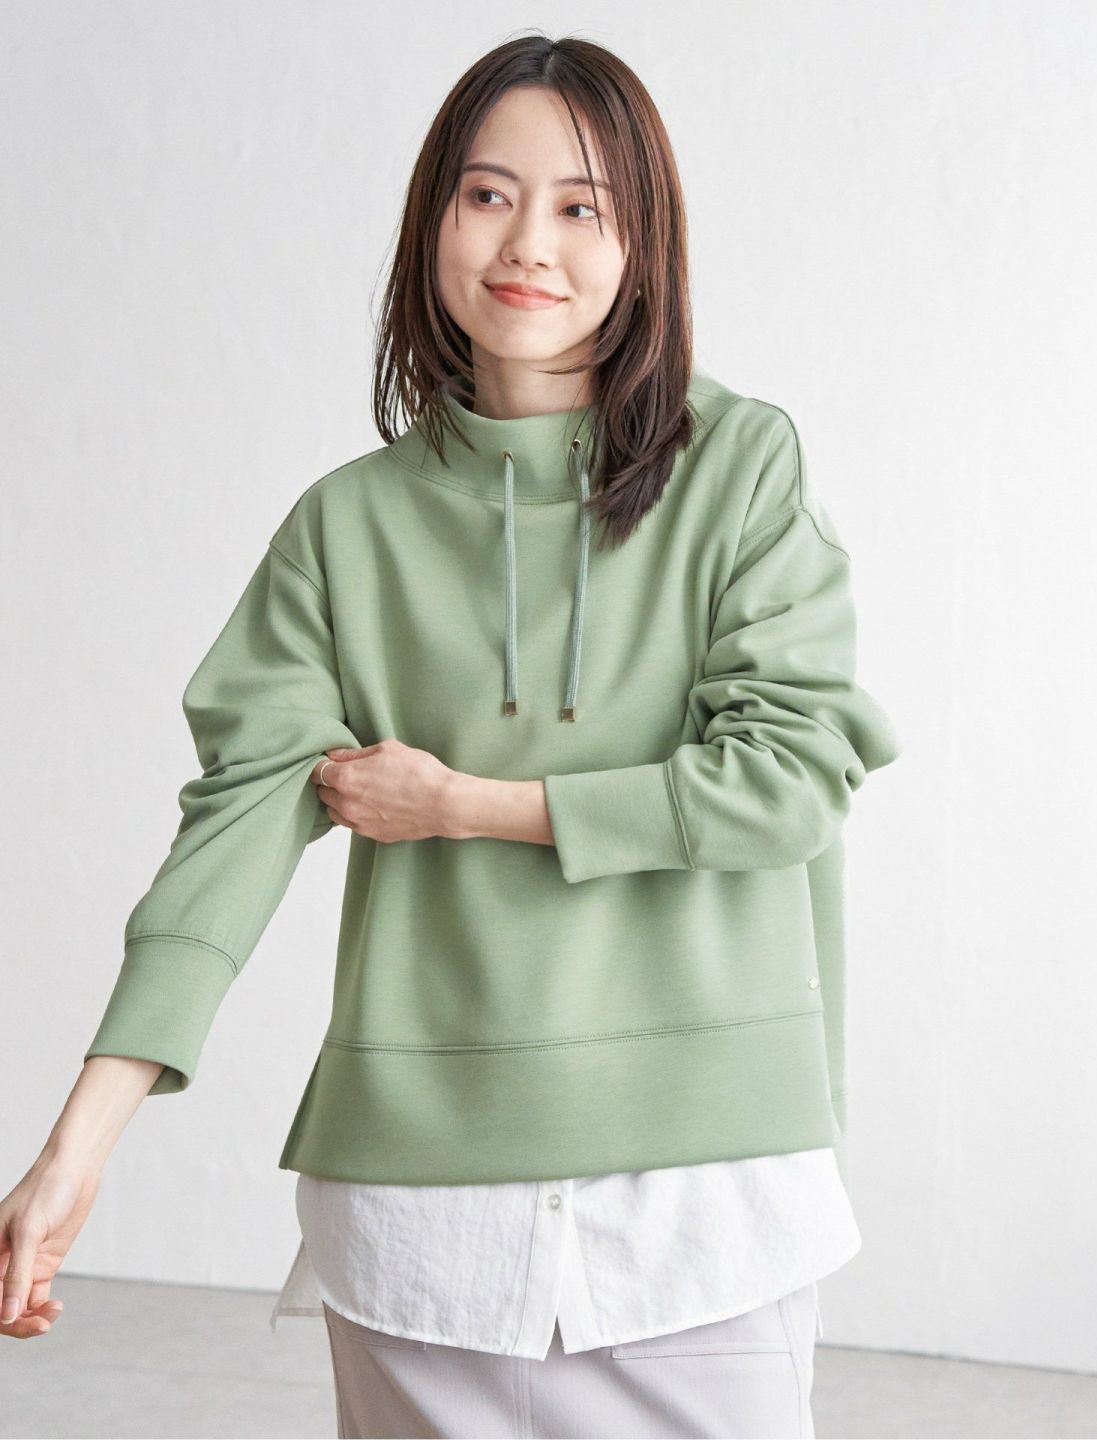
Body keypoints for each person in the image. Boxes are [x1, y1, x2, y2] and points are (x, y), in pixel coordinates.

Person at [0, 32, 902, 1440]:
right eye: (488, 195)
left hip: (700, 1204)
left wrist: (465, 803)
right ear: (434, 218)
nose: (528, 243)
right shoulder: (345, 528)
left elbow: (787, 782)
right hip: (421, 1226)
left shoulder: (741, 469)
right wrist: (77, 1145)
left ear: (646, 247)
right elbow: (230, 836)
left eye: (582, 207)